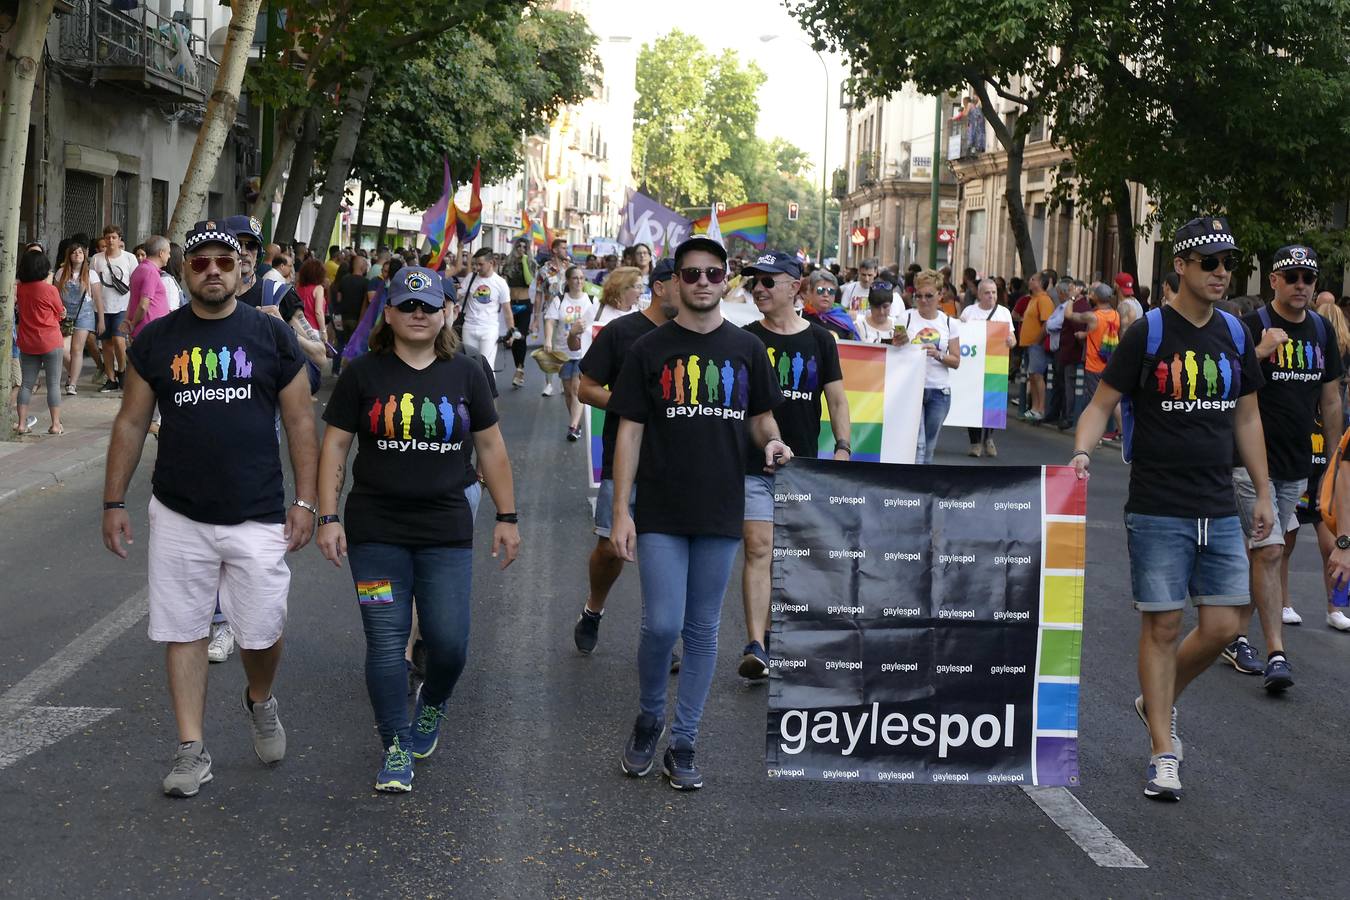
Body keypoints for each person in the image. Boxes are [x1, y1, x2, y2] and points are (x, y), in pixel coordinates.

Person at [101, 221, 317, 798]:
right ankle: (191, 749)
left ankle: (259, 698)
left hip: (258, 511)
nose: (214, 270)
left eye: (225, 260)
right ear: (184, 271)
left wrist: (306, 501)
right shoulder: (158, 340)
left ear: (243, 266)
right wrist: (113, 501)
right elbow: (131, 420)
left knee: (262, 631)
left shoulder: (270, 338)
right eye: (200, 263)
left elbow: (300, 419)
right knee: (184, 628)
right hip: (179, 512)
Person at [1071, 216, 1269, 802]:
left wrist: (1261, 491)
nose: (1221, 272)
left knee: (1227, 624)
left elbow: (1248, 417)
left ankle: (1154, 699)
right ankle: (1163, 748)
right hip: (1158, 502)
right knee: (1161, 625)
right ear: (1179, 266)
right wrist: (1081, 451)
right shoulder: (1149, 332)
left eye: (1228, 263)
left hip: (1217, 499)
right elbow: (1101, 403)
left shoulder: (1235, 334)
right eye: (1210, 262)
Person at [316, 266, 520, 793]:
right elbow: (335, 445)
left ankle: (431, 704)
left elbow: (492, 448)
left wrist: (507, 515)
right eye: (407, 306)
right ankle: (395, 745)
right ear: (389, 313)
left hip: (445, 530)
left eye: (428, 306)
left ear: (447, 311)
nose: (418, 314)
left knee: (449, 645)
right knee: (385, 644)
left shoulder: (468, 372)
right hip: (376, 532)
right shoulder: (363, 373)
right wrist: (328, 516)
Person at [608, 236, 789, 790]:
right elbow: (629, 434)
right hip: (661, 506)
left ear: (726, 280)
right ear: (675, 283)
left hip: (720, 506)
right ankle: (648, 717)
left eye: (714, 274)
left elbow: (760, 419)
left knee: (703, 629)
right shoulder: (648, 350)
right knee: (661, 625)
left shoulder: (747, 350)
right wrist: (621, 510)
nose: (704, 283)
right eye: (692, 275)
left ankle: (684, 740)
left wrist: (774, 443)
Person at [1220, 245, 1343, 690]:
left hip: (1297, 464)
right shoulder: (1251, 326)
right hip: (1252, 463)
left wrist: (1333, 461)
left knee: (1272, 550)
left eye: (1308, 278)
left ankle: (1233, 635)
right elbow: (1226, 382)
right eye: (1291, 277)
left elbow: (1330, 399)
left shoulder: (1321, 332)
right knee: (1268, 549)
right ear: (1272, 280)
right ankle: (1276, 652)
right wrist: (1260, 351)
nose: (1301, 286)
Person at [737, 250, 850, 679]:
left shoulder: (821, 340)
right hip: (755, 468)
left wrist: (842, 447)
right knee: (759, 547)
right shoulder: (747, 339)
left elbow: (836, 399)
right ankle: (756, 645)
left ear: (794, 286)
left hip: (803, 469)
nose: (759, 289)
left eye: (768, 281)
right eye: (754, 282)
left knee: (791, 557)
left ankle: (778, 634)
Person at [572, 258, 678, 655]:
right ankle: (593, 609)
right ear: (663, 286)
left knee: (665, 553)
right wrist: (631, 404)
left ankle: (663, 636)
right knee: (609, 548)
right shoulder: (622, 332)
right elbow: (586, 389)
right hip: (625, 458)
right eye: (684, 279)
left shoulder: (695, 335)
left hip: (675, 463)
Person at [895, 269, 960, 463]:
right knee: (918, 445)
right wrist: (900, 342)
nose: (923, 300)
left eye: (929, 296)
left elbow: (956, 361)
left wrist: (938, 354)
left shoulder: (949, 323)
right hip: (912, 389)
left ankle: (923, 487)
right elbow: (893, 351)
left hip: (939, 390)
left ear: (940, 295)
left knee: (929, 447)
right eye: (919, 295)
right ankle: (914, 486)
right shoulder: (904, 318)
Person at [960, 277, 1015, 456]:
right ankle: (975, 443)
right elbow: (959, 334)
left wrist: (1010, 341)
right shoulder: (969, 312)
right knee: (972, 403)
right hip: (972, 364)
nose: (991, 296)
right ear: (979, 294)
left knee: (993, 402)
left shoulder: (1004, 313)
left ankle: (988, 438)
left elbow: (1013, 338)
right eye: (987, 293)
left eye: (994, 293)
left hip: (995, 363)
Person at [544, 266, 599, 441]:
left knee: (576, 389)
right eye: (575, 278)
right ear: (568, 281)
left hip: (585, 351)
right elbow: (550, 322)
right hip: (563, 352)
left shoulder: (592, 299)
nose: (579, 281)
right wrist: (548, 340)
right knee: (568, 391)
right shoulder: (559, 300)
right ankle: (575, 421)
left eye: (582, 278)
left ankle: (573, 426)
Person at [14, 250, 66, 435]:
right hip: (50, 340)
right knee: (53, 384)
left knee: (26, 384)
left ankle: (21, 424)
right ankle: (55, 424)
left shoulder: (19, 289)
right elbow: (60, 311)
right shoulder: (49, 290)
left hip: (27, 341)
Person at [1066, 283, 1121, 438]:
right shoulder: (1116, 315)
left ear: (1096, 297)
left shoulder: (1092, 316)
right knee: (1112, 400)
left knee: (1095, 402)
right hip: (1110, 363)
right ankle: (1124, 433)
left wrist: (1072, 297)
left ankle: (1094, 434)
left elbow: (1069, 314)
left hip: (1094, 364)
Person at [91, 224, 138, 392]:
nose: (110, 240)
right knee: (106, 344)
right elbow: (93, 282)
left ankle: (122, 372)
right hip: (102, 308)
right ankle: (110, 378)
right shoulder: (96, 259)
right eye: (107, 237)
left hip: (122, 306)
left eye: (114, 237)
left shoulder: (129, 258)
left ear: (120, 240)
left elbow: (135, 282)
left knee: (119, 341)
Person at [459, 247, 511, 382]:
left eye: (480, 264)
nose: (477, 267)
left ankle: (489, 397)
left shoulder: (500, 283)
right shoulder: (471, 278)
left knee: (486, 365)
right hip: (469, 327)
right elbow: (459, 295)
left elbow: (507, 310)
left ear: (491, 263)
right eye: (475, 264)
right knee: (469, 365)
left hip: (489, 329)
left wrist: (511, 331)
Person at [56, 241, 97, 396]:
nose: (77, 255)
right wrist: (58, 308)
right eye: (74, 252)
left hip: (84, 314)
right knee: (60, 348)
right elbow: (55, 294)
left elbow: (97, 297)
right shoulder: (61, 272)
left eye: (80, 252)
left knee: (77, 349)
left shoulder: (91, 274)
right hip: (65, 315)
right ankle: (72, 373)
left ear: (84, 255)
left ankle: (72, 383)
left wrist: (100, 319)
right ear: (69, 255)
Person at [1017, 273, 1056, 421]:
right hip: (1029, 344)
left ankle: (1040, 408)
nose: (1030, 280)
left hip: (1036, 345)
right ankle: (1034, 407)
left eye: (1033, 279)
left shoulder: (1044, 300)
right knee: (1032, 376)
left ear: (1040, 283)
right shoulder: (1033, 299)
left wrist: (1037, 340)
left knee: (1038, 375)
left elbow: (1047, 323)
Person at [500, 239, 534, 388]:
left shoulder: (531, 263)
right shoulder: (508, 264)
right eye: (519, 246)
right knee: (513, 337)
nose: (521, 249)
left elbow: (528, 280)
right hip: (511, 304)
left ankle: (520, 369)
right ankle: (519, 367)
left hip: (524, 304)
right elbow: (504, 283)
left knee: (521, 338)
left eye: (524, 247)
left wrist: (525, 260)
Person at [123, 235, 171, 340]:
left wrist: (129, 322)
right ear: (161, 253)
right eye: (168, 253)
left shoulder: (140, 269)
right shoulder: (150, 272)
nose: (169, 256)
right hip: (150, 331)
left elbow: (133, 300)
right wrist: (132, 324)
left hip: (146, 331)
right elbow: (143, 305)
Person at [334, 255, 372, 373]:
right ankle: (351, 371)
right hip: (357, 319)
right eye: (365, 265)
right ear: (362, 267)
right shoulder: (366, 282)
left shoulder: (344, 279)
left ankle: (335, 369)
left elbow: (338, 298)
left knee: (340, 343)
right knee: (355, 346)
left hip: (342, 317)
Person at [802, 269, 859, 339]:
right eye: (820, 290)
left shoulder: (843, 318)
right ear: (811, 292)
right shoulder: (800, 317)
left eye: (831, 291)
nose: (826, 294)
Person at [296, 258, 328, 332]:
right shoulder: (319, 288)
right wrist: (323, 330)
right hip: (313, 328)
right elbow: (318, 312)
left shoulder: (298, 287)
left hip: (299, 326)